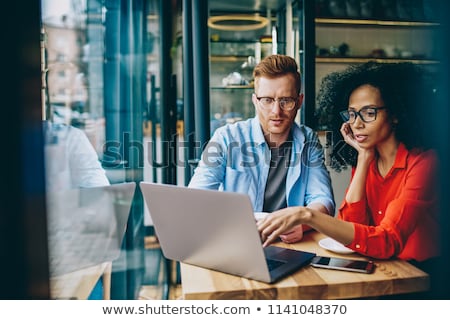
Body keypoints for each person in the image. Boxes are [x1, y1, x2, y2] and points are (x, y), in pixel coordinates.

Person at [257, 61, 441, 296]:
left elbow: (388, 240)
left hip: (422, 279)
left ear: (395, 114)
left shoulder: (425, 164)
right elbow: (352, 226)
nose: (356, 123)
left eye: (369, 113)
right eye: (352, 114)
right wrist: (363, 158)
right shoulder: (368, 161)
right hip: (383, 271)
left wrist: (307, 215)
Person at [189, 54, 335, 244]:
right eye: (267, 100)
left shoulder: (308, 140)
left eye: (286, 101)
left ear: (299, 101)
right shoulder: (226, 138)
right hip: (236, 241)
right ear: (255, 101)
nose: (276, 111)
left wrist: (302, 224)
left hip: (290, 246)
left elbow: (323, 199)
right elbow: (196, 198)